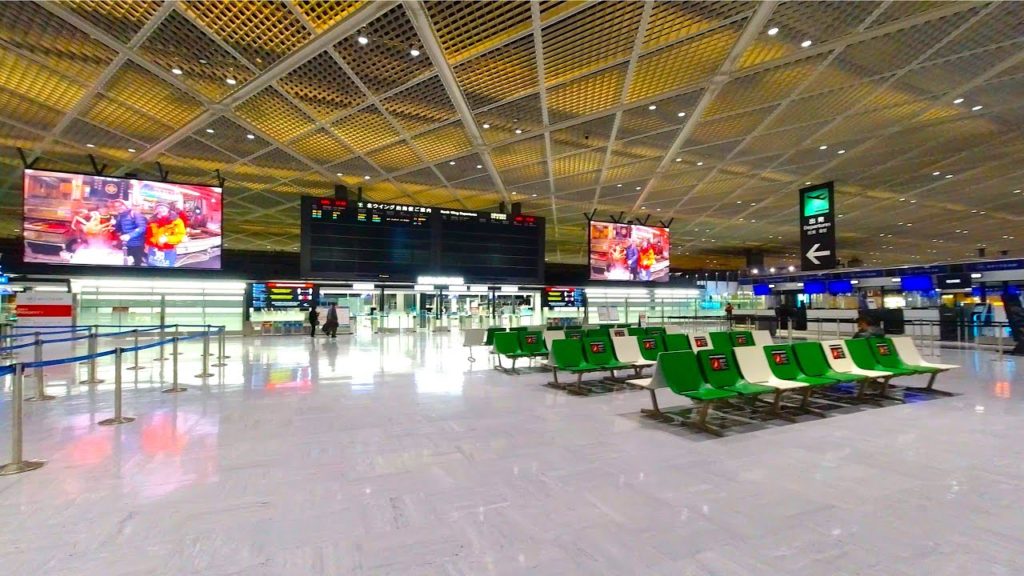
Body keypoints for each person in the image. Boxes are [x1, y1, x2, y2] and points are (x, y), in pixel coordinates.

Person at [145, 203, 186, 267]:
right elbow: (148, 235)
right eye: (158, 208)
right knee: (151, 267)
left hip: (168, 249)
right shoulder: (151, 220)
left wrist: (167, 239)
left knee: (166, 269)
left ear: (168, 209)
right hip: (153, 249)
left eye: (163, 207)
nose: (161, 210)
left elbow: (181, 235)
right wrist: (147, 246)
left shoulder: (177, 221)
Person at [112, 199, 147, 266]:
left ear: (125, 205)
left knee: (137, 263)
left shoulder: (135, 214)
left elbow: (142, 227)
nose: (118, 207)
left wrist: (129, 235)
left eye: (120, 205)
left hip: (137, 244)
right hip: (126, 244)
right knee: (127, 262)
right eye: (116, 206)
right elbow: (118, 230)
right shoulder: (120, 216)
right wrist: (114, 224)